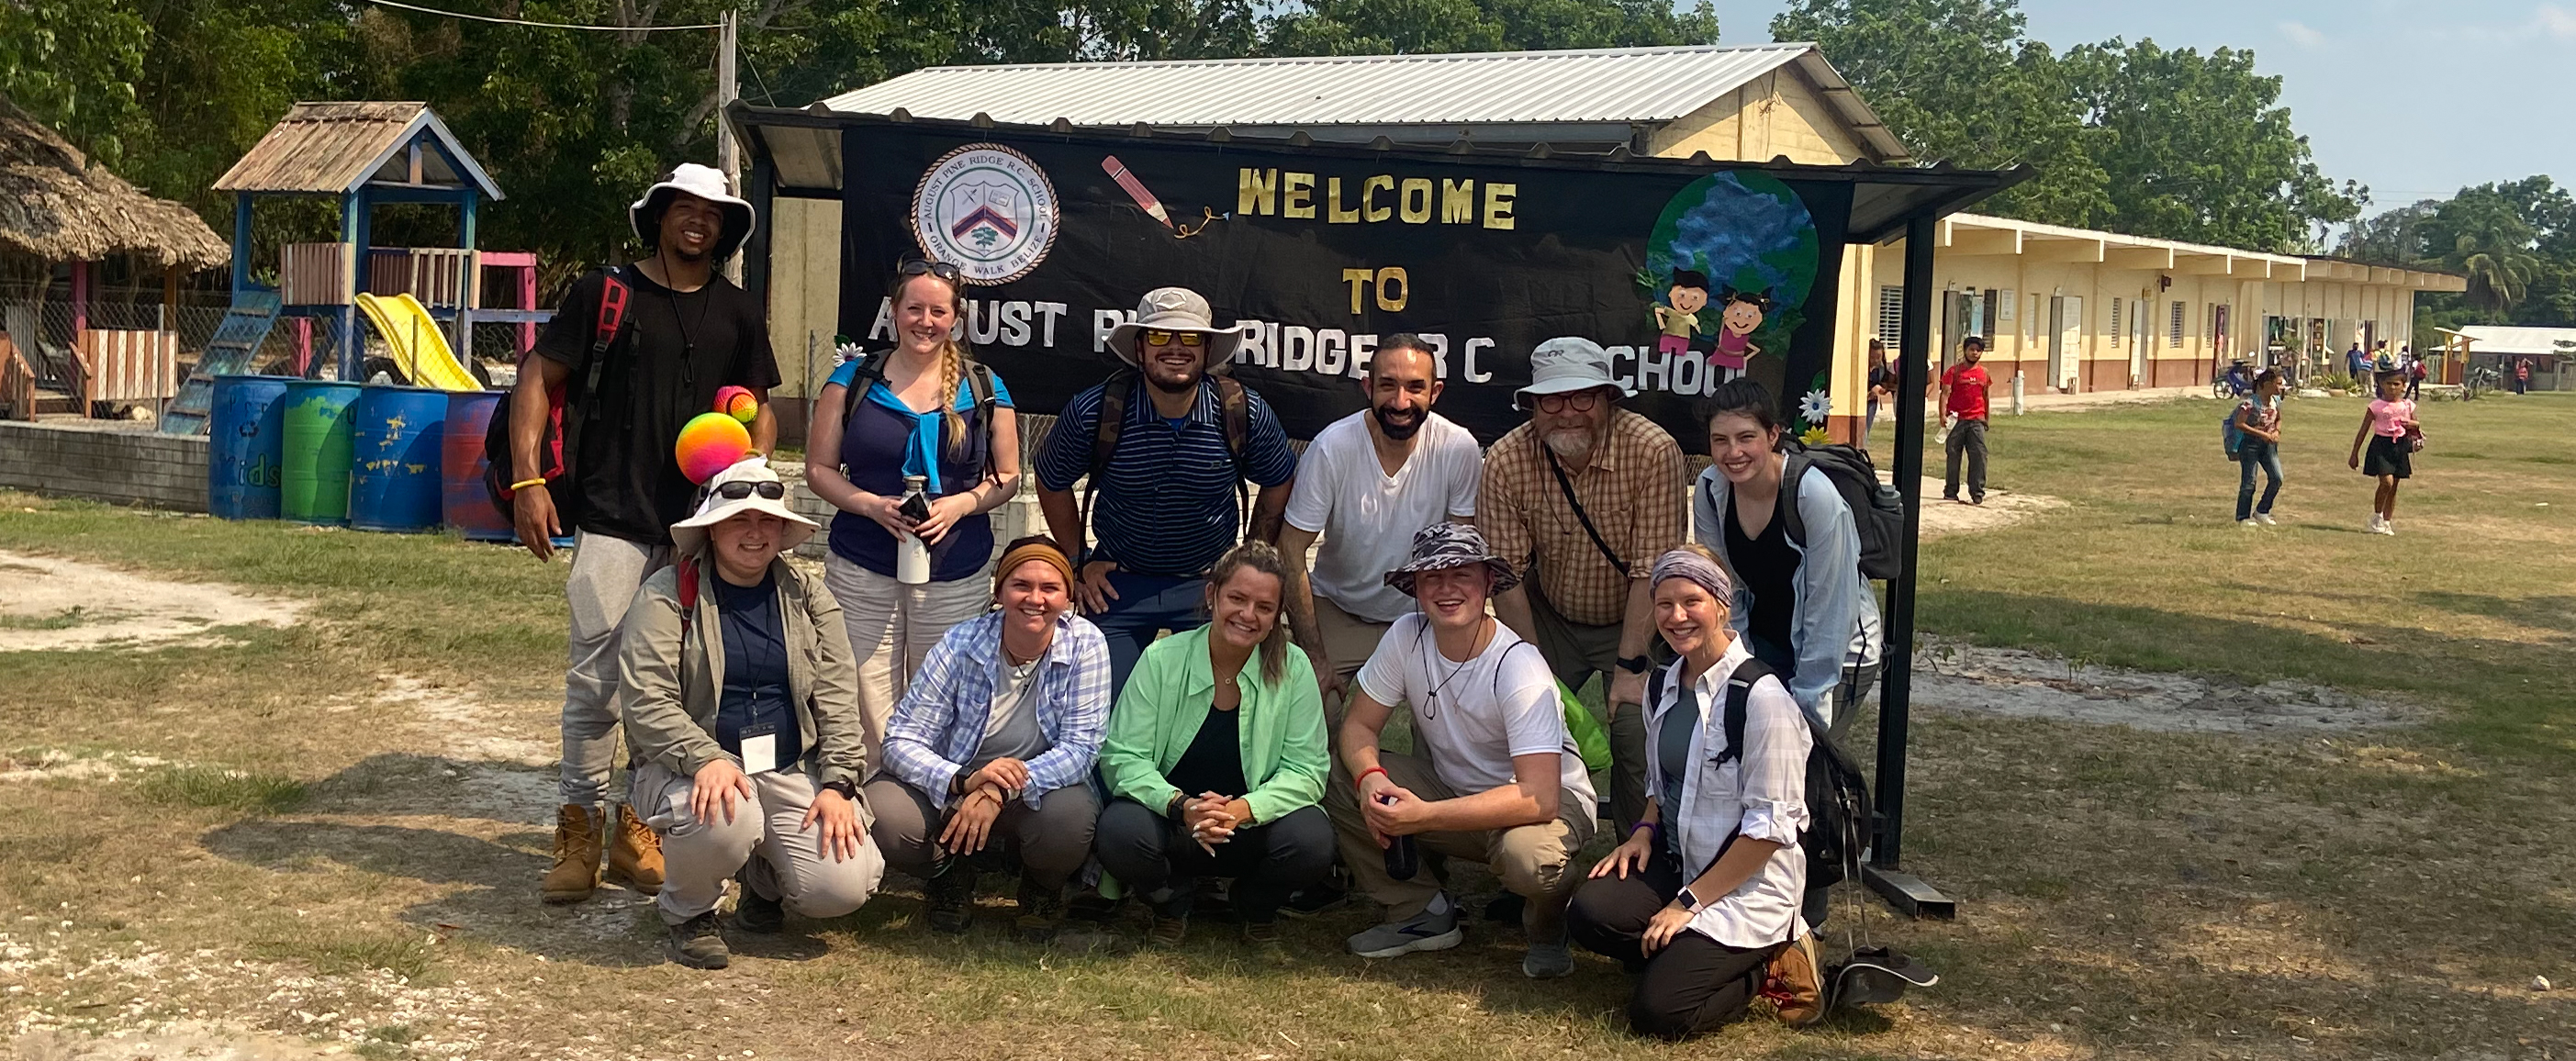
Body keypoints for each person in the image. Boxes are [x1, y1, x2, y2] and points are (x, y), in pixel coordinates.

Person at [512, 163, 780, 905]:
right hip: (612, 521)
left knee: (678, 690)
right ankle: (579, 830)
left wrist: (754, 457)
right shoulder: (608, 293)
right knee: (594, 683)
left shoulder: (738, 309)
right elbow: (538, 373)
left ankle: (640, 829)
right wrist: (528, 482)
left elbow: (761, 407)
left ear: (726, 230)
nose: (699, 221)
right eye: (685, 209)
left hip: (700, 531)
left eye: (713, 213)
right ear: (659, 216)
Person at [616, 460, 881, 969]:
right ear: (712, 528)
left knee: (844, 887)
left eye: (767, 521)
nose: (754, 532)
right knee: (726, 816)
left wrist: (839, 784)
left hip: (785, 765)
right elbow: (646, 699)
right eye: (739, 519)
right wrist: (705, 758)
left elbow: (837, 695)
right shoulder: (668, 593)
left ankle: (764, 882)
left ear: (783, 531)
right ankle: (689, 913)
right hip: (690, 768)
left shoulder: (809, 595)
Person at [1324, 523, 1601, 978]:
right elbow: (1358, 725)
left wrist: (1422, 817)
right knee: (1340, 772)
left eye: (1462, 575)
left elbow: (1539, 796)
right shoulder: (1405, 636)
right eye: (1432, 577)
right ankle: (1421, 912)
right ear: (1415, 587)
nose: (1447, 589)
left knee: (1529, 859)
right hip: (1455, 791)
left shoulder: (1518, 664)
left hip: (1541, 804)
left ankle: (1550, 926)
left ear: (1488, 583)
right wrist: (1369, 777)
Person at [1568, 546, 1819, 1039]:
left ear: (1722, 604)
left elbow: (1768, 833)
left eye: (1692, 601)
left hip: (1746, 884)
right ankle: (1682, 953)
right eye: (1664, 603)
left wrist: (1686, 905)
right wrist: (1642, 831)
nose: (1676, 616)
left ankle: (1769, 961)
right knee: (1589, 914)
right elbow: (1664, 783)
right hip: (1683, 861)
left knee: (1660, 1015)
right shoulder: (1663, 683)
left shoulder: (1763, 700)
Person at [804, 259, 1021, 765]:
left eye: (938, 311)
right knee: (863, 689)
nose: (925, 321)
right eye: (914, 308)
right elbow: (818, 468)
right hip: (863, 564)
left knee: (941, 689)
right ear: (894, 312)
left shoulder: (985, 386)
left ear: (955, 318)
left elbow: (1008, 476)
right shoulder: (852, 380)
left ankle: (928, 800)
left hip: (953, 570)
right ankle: (869, 803)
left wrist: (962, 505)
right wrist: (871, 505)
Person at [1035, 287, 1299, 693]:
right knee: (1104, 706)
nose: (1175, 348)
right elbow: (1051, 480)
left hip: (1206, 584)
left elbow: (1279, 478)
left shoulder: (1242, 411)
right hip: (1118, 582)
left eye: (1190, 338)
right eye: (1159, 337)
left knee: (1211, 702)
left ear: (1208, 348)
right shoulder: (1097, 409)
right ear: (1139, 348)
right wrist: (1076, 561)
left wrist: (1249, 558)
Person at [1477, 337, 1683, 835]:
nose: (1567, 412)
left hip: (1634, 617)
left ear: (1607, 397)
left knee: (1636, 729)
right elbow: (1504, 575)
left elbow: (1648, 572)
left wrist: (1632, 665)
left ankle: (1640, 857)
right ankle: (1526, 847)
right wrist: (1529, 665)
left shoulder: (1654, 451)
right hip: (1548, 613)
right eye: (1552, 399)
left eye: (1582, 397)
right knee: (1519, 716)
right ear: (1532, 405)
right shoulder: (1505, 459)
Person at [867, 537, 1108, 941]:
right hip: (958, 784)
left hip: (1036, 787)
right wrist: (964, 780)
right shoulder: (960, 643)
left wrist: (997, 789)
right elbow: (900, 740)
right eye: (1021, 586)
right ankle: (948, 873)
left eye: (1050, 588)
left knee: (1073, 817)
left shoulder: (1087, 644)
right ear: (999, 591)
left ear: (1068, 597)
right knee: (884, 811)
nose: (1035, 599)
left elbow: (1081, 751)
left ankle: (1041, 888)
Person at [1094, 542, 1334, 949]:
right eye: (1237, 599)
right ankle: (1172, 903)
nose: (1248, 615)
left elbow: (1308, 771)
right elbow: (1122, 757)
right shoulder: (1162, 659)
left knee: (1313, 838)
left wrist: (1242, 811)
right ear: (1212, 596)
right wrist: (1181, 806)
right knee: (1119, 830)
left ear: (1278, 615)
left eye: (1264, 606)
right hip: (1174, 823)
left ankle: (1253, 906)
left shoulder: (1294, 668)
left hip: (1249, 828)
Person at [1278, 335, 1483, 727]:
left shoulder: (1458, 449)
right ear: (1368, 387)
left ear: (1435, 392)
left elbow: (1461, 557)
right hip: (1339, 610)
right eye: (1388, 385)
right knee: (1307, 715)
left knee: (1453, 726)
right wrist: (1317, 660)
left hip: (1421, 615)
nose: (1401, 402)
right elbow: (1290, 551)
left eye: (1415, 387)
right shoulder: (1331, 448)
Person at [1690, 380, 1882, 740]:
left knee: (1804, 766)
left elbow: (1831, 608)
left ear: (1773, 434)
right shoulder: (1712, 490)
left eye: (1747, 437)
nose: (1733, 452)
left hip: (1838, 652)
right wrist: (1740, 672)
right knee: (1747, 753)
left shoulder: (1814, 496)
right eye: (1721, 440)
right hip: (1767, 643)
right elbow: (1723, 590)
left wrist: (1806, 710)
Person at [2349, 371, 2417, 536]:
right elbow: (2363, 430)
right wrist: (2354, 453)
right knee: (2386, 482)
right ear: (2381, 385)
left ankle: (2387, 521)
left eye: (2396, 384)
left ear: (2403, 386)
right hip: (2381, 445)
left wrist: (2413, 424)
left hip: (2399, 446)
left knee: (2394, 486)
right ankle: (2377, 517)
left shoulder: (2407, 405)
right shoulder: (2376, 406)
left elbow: (2415, 425)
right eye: (2389, 384)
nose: (2392, 387)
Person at [1939, 336, 1992, 506]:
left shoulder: (1984, 373)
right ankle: (1951, 491)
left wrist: (1986, 418)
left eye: (1978, 350)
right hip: (1956, 420)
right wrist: (1942, 415)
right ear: (1965, 350)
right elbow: (1945, 394)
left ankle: (1977, 492)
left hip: (1976, 420)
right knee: (1953, 456)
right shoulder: (1954, 372)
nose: (1975, 353)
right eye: (1972, 349)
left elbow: (1986, 396)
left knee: (1979, 456)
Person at [2233, 369, 2286, 528]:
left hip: (2269, 446)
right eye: (2278, 384)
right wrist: (2261, 434)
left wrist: (2277, 431)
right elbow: (2239, 423)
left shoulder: (2276, 401)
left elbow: (2279, 419)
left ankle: (2262, 510)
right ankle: (2243, 516)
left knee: (2277, 478)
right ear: (2267, 385)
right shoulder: (2250, 403)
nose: (2280, 387)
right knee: (2249, 481)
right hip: (2250, 445)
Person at [1863, 340, 1891, 450]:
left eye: (1879, 357)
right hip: (1861, 401)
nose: (1876, 360)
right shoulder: (1862, 368)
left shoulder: (1882, 369)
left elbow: (1884, 383)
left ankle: (1863, 449)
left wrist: (1882, 389)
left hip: (1871, 403)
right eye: (1873, 357)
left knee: (1866, 429)